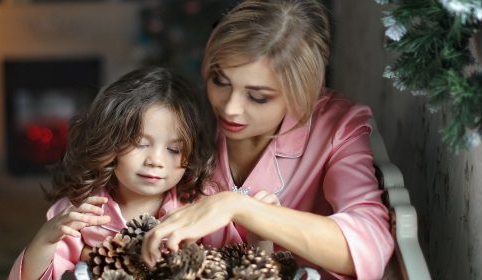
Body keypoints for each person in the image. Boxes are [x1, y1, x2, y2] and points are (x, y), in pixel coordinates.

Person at [141, 1, 395, 279]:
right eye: (220, 81)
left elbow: (369, 247)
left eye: (258, 96)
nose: (230, 108)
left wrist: (240, 207)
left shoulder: (337, 126)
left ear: (302, 92)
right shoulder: (186, 115)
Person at [8, 67, 237, 280]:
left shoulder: (201, 205)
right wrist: (45, 239)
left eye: (174, 149)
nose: (155, 161)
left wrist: (260, 239)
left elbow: (240, 263)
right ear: (111, 140)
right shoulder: (83, 210)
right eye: (140, 144)